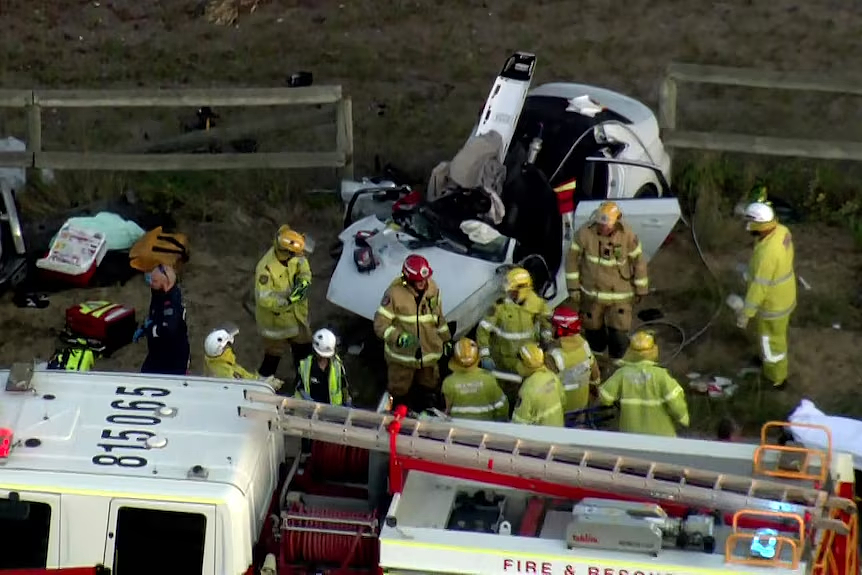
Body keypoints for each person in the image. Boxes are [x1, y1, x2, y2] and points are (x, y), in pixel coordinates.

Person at [565, 201, 649, 361]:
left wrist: (641, 289)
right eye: (600, 224)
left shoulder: (627, 236)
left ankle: (617, 364)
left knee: (619, 334)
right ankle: (597, 363)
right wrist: (573, 288)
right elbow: (571, 260)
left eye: (607, 224)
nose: (603, 228)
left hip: (619, 296)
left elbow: (639, 262)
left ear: (616, 221)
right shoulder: (585, 234)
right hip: (592, 295)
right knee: (593, 332)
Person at [373, 254, 451, 412]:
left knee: (429, 388)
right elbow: (380, 325)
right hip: (402, 357)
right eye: (418, 281)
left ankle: (426, 413)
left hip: (428, 354)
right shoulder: (394, 294)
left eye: (425, 279)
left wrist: (446, 339)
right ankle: (397, 414)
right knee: (398, 391)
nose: (423, 283)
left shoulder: (433, 288)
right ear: (408, 279)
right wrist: (398, 338)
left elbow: (438, 318)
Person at [736, 201, 796, 389]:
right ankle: (766, 359)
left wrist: (745, 314)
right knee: (768, 338)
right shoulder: (781, 231)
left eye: (751, 225)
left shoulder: (768, 254)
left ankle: (777, 378)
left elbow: (758, 288)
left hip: (772, 305)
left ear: (760, 226)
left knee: (772, 343)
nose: (748, 229)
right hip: (785, 293)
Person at [598, 331, 689, 437]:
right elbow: (675, 400)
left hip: (630, 434)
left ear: (630, 352)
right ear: (653, 350)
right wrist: (683, 418)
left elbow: (604, 397)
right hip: (661, 435)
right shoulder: (661, 375)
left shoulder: (622, 374)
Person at [255, 225, 313, 382]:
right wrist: (288, 300)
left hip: (297, 318)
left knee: (304, 356)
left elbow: (304, 269)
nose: (300, 256)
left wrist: (304, 283)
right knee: (272, 358)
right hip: (276, 324)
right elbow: (264, 299)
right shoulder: (265, 269)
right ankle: (261, 386)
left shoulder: (295, 254)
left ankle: (305, 384)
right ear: (286, 253)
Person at [476, 267, 552, 378]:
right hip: (502, 359)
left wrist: (546, 340)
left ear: (524, 290)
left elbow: (547, 323)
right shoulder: (499, 306)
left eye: (513, 292)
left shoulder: (537, 304)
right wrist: (485, 355)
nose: (509, 294)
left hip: (527, 359)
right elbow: (483, 329)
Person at [135, 264, 190, 375]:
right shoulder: (158, 293)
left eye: (154, 281)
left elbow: (168, 330)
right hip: (158, 351)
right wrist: (144, 327)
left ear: (165, 284)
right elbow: (156, 316)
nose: (151, 283)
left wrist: (150, 329)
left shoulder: (172, 304)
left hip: (173, 356)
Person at [544, 306, 600, 414]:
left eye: (553, 326)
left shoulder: (553, 356)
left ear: (560, 329)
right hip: (582, 404)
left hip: (562, 408)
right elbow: (595, 374)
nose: (551, 329)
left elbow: (546, 387)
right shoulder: (584, 345)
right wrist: (594, 391)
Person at [441, 338, 508, 421]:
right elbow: (501, 406)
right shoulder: (489, 379)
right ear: (477, 357)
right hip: (487, 427)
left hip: (460, 428)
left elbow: (447, 411)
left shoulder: (448, 382)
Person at [203, 326, 283, 390]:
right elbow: (244, 390)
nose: (230, 347)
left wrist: (261, 381)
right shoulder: (227, 373)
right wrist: (265, 386)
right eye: (227, 345)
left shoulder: (217, 362)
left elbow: (245, 376)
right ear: (221, 350)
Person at [511, 343, 566, 427]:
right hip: (558, 429)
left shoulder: (526, 390)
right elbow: (563, 400)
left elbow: (518, 422)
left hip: (538, 436)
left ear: (526, 365)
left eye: (519, 361)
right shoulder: (552, 377)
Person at [295, 328, 352, 406]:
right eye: (321, 355)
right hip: (311, 409)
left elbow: (344, 386)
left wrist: (347, 403)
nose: (324, 358)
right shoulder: (305, 365)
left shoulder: (337, 365)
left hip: (333, 410)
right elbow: (299, 387)